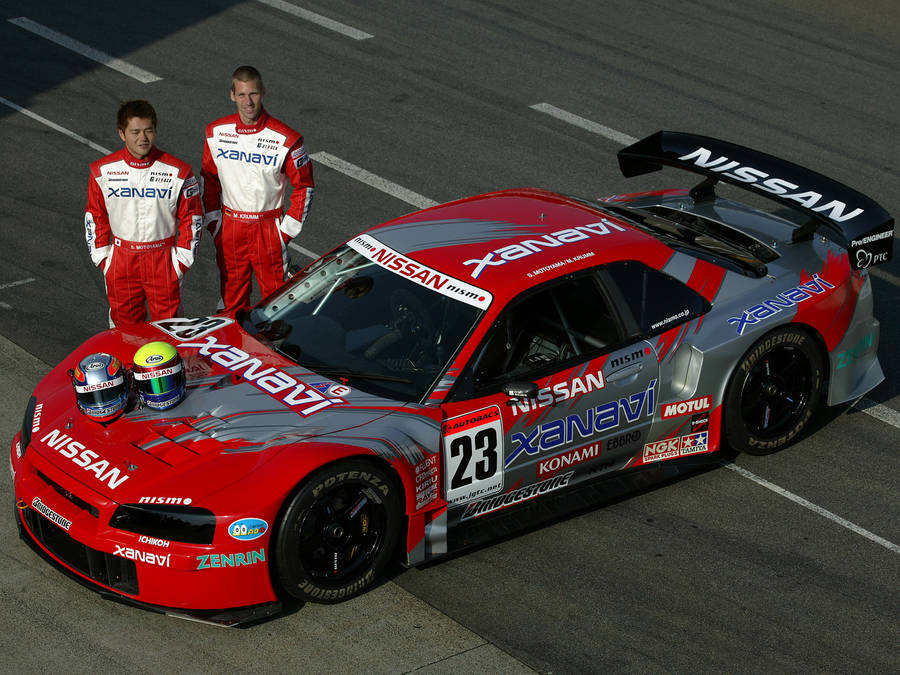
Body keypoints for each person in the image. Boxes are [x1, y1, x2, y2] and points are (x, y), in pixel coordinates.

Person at [201, 65, 315, 314]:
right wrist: (214, 222)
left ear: (263, 92)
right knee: (231, 304)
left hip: (268, 229)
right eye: (241, 95)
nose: (248, 101)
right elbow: (209, 181)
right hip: (231, 227)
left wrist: (285, 231)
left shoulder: (286, 139)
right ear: (232, 95)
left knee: (277, 306)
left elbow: (304, 186)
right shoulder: (215, 133)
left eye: (252, 94)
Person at [85, 100, 203, 327]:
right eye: (135, 132)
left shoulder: (180, 172)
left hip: (163, 260)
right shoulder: (102, 171)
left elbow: (193, 217)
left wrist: (182, 261)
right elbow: (95, 215)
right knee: (124, 333)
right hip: (121, 261)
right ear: (122, 133)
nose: (143, 138)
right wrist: (103, 259)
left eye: (149, 130)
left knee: (169, 332)